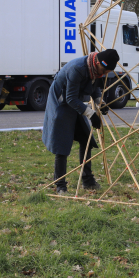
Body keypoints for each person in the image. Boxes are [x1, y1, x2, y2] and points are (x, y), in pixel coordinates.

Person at [43, 49, 120, 195]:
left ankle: (88, 180)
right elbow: (70, 98)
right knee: (62, 144)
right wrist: (91, 114)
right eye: (103, 70)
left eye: (106, 72)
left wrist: (99, 102)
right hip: (62, 103)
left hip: (75, 102)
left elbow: (94, 86)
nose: (103, 74)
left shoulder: (97, 69)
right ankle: (60, 185)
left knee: (86, 138)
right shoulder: (77, 69)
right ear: (97, 63)